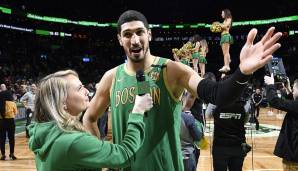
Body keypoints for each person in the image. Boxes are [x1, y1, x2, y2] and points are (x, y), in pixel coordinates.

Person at [83, 10, 282, 171]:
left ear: (149, 34)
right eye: (127, 34)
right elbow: (89, 118)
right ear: (119, 39)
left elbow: (217, 94)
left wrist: (242, 72)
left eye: (139, 32)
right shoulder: (111, 77)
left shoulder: (171, 70)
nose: (134, 40)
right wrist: (104, 157)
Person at [27, 69, 153, 171]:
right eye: (79, 88)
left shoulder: (47, 135)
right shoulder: (73, 142)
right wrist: (138, 111)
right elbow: (124, 155)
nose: (87, 91)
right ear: (62, 102)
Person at [207, 75, 251, 171]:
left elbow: (208, 115)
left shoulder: (215, 100)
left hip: (220, 146)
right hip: (238, 145)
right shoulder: (245, 103)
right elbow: (245, 120)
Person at [264, 74, 298, 171]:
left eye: (294, 89)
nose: (293, 91)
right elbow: (292, 103)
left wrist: (270, 85)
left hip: (294, 157)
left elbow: (274, 101)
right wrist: (287, 88)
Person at [0, 90, 18, 160]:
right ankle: (12, 154)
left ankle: (3, 155)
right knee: (11, 138)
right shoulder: (12, 103)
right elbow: (16, 113)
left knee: (2, 139)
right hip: (10, 121)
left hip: (1, 122)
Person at [219, 9, 233, 73]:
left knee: (226, 53)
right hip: (223, 36)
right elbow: (222, 28)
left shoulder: (229, 19)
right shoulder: (224, 20)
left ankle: (227, 65)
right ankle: (228, 61)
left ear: (225, 13)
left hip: (226, 36)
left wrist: (219, 25)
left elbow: (226, 26)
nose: (221, 14)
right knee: (225, 53)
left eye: (222, 13)